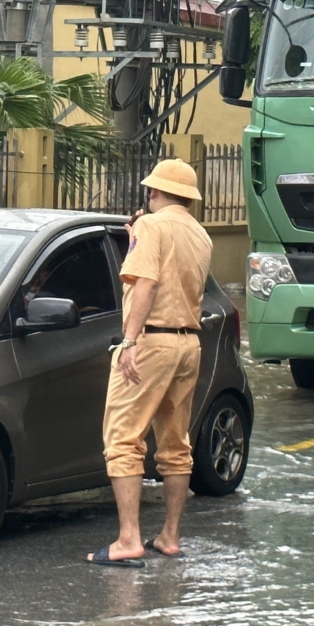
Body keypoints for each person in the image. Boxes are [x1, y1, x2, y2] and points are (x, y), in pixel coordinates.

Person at [87, 158, 213, 567]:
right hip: (188, 345)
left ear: (154, 192)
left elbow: (147, 283)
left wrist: (128, 341)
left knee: (123, 439)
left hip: (152, 341)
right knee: (176, 445)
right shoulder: (201, 235)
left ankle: (128, 539)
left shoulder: (151, 226)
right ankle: (169, 537)